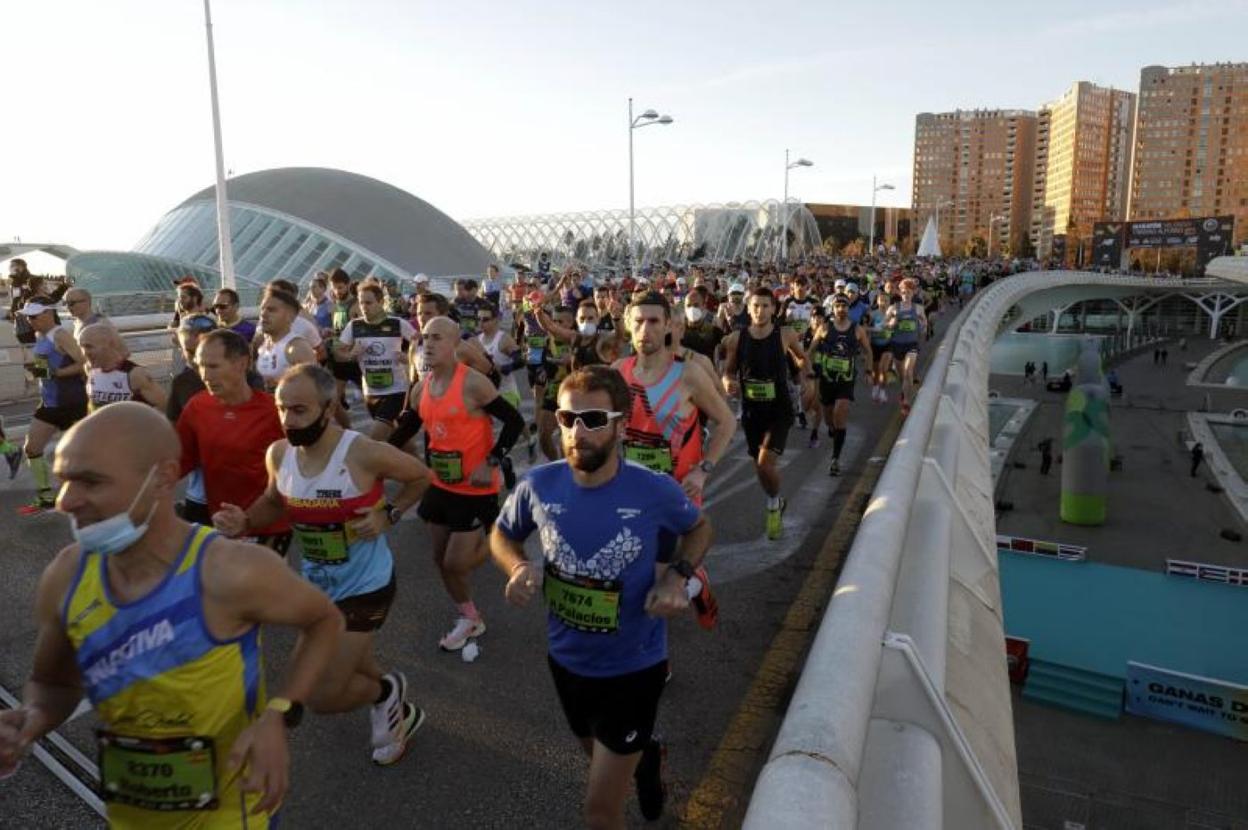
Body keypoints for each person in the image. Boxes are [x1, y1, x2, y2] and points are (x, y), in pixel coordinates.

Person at [0, 402, 343, 828]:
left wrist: (278, 713)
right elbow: (52, 682)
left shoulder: (231, 571)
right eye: (64, 480)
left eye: (90, 481)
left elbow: (324, 620)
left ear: (162, 477)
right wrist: (30, 720)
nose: (67, 501)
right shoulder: (66, 576)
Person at [490, 365, 712, 827]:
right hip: (567, 660)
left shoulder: (653, 490)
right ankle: (647, 756)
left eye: (592, 420)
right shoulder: (539, 484)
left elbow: (699, 528)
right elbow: (503, 533)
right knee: (598, 753)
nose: (576, 432)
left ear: (619, 424)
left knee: (599, 810)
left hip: (634, 668)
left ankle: (640, 756)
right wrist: (517, 566)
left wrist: (677, 578)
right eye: (567, 420)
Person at [213, 365, 432, 765]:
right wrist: (244, 520)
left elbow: (420, 476)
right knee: (354, 663)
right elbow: (273, 504)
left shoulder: (361, 452)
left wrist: (389, 515)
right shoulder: (279, 455)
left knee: (321, 695)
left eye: (298, 410)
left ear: (328, 408)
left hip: (366, 585)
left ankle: (386, 697)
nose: (287, 420)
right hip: (316, 587)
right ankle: (388, 692)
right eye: (281, 409)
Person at [387, 317, 526, 652]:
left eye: (436, 338)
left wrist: (491, 460)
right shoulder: (421, 388)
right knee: (440, 559)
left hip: (476, 488)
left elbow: (514, 421)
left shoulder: (473, 384)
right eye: (424, 340)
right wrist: (369, 456)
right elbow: (403, 432)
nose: (428, 345)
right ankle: (469, 617)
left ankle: (503, 541)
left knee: (455, 563)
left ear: (453, 345)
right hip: (440, 485)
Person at [178, 329, 292, 554]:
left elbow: (307, 465)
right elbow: (179, 462)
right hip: (223, 526)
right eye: (200, 366)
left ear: (241, 364)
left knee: (264, 588)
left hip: (268, 526)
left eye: (213, 366)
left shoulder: (275, 411)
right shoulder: (197, 407)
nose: (205, 375)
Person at [720, 288, 808, 540]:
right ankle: (776, 500)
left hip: (779, 409)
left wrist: (805, 378)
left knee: (764, 463)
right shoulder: (737, 338)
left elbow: (802, 359)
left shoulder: (785, 334)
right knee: (760, 469)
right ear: (748, 309)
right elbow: (728, 370)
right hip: (751, 410)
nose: (760, 311)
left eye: (765, 306)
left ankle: (772, 506)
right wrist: (727, 381)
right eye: (755, 306)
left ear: (774, 309)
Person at [18, 296, 88, 515]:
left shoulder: (61, 334)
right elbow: (46, 368)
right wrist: (37, 372)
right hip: (50, 403)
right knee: (32, 448)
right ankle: (47, 497)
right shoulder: (41, 334)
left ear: (48, 313)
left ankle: (92, 496)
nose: (30, 320)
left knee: (78, 456)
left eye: (34, 316)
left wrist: (55, 373)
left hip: (71, 403)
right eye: (27, 316)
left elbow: (83, 363)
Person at [334, 281, 417, 441]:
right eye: (361, 302)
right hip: (370, 392)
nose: (364, 307)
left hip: (396, 391)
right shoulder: (354, 326)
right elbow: (338, 352)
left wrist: (409, 357)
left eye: (369, 302)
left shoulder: (397, 324)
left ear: (381, 302)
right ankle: (415, 464)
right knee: (400, 442)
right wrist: (350, 354)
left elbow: (420, 345)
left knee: (375, 439)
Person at [808, 295, 874, 476]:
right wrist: (809, 370)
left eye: (844, 306)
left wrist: (868, 371)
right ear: (833, 308)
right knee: (830, 419)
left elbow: (868, 351)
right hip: (827, 379)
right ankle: (832, 429)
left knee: (840, 411)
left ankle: (835, 459)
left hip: (846, 379)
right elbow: (810, 351)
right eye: (838, 306)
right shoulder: (824, 328)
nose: (842, 309)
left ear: (848, 309)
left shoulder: (857, 330)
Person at [79, 323, 167, 411]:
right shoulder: (89, 369)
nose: (84, 353)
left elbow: (164, 405)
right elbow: (92, 406)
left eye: (89, 347)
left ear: (110, 344)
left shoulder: (135, 375)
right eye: (82, 347)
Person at [256, 286, 318, 389]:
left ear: (290, 316)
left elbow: (313, 388)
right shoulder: (262, 345)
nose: (263, 314)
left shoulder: (297, 347)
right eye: (262, 309)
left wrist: (279, 385)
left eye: (271, 310)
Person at [884, 278, 927, 415]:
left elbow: (924, 325)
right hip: (897, 344)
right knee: (902, 376)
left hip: (911, 344)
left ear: (913, 293)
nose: (905, 295)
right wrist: (892, 323)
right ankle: (904, 391)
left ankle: (906, 402)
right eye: (903, 292)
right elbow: (885, 325)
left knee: (909, 371)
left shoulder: (919, 309)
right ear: (899, 293)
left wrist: (922, 326)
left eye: (908, 292)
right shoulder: (893, 308)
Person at [476, 302, 524, 410]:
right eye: (479, 319)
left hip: (505, 394)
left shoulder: (503, 339)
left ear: (496, 320)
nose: (481, 323)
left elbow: (520, 361)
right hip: (484, 395)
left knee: (512, 426)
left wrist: (503, 368)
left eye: (485, 319)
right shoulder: (476, 340)